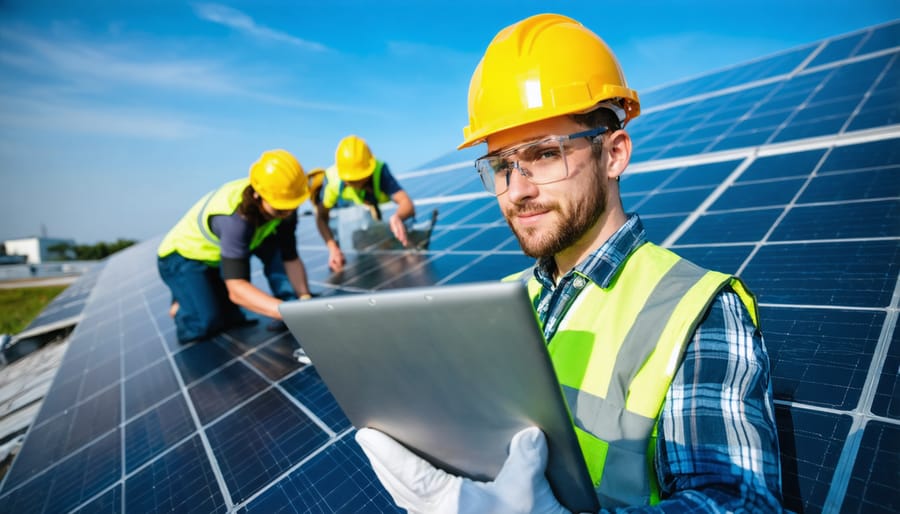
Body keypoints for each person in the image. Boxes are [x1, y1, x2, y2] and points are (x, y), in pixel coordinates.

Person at [354, 13, 785, 513]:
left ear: (614, 154)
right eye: (501, 166)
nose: (517, 190)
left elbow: (738, 504)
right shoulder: (503, 298)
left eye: (543, 154)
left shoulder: (696, 311)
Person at [157, 149, 314, 344]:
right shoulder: (235, 218)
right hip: (183, 256)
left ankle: (289, 301)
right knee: (208, 321)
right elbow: (237, 289)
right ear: (258, 195)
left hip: (239, 244)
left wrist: (304, 300)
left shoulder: (285, 205)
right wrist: (290, 314)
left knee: (234, 318)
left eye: (292, 205)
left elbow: (290, 257)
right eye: (280, 207)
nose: (287, 212)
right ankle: (182, 299)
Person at [315, 134, 415, 271]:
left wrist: (398, 217)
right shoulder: (332, 182)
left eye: (360, 179)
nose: (356, 184)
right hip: (343, 211)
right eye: (351, 181)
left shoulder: (379, 171)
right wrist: (333, 248)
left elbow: (406, 202)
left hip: (370, 211)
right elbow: (321, 218)